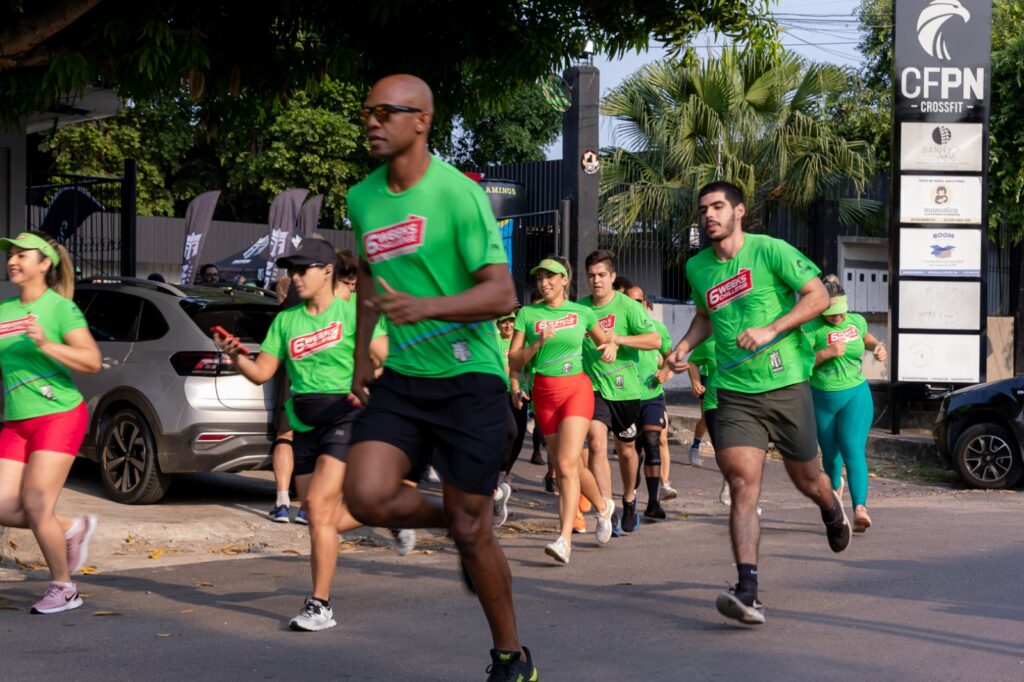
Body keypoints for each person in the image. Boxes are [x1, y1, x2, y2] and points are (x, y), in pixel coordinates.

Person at [342, 74, 537, 680]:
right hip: (401, 375)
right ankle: (457, 520)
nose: (373, 122)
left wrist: (426, 307)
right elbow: (372, 280)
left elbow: (502, 292)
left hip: (469, 378)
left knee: (475, 531)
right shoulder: (363, 198)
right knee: (365, 496)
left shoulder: (458, 195)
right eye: (368, 111)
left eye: (386, 112)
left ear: (421, 121)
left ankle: (511, 656)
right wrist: (358, 356)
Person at [664, 181, 850, 627]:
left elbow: (818, 296)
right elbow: (706, 316)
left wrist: (770, 329)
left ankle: (829, 505)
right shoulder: (698, 268)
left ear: (739, 211)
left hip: (785, 383)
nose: (709, 214)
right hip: (732, 390)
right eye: (703, 209)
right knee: (743, 483)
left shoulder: (771, 251)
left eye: (718, 207)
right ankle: (747, 588)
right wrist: (684, 346)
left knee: (808, 478)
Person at [216, 237, 366, 632]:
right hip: (302, 423)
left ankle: (319, 603)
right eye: (290, 270)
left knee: (316, 506)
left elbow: (388, 359)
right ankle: (382, 512)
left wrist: (367, 384)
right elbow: (263, 373)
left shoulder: (354, 314)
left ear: (327, 271)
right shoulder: (287, 321)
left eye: (302, 270)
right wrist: (236, 355)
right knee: (319, 517)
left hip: (344, 417)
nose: (294, 277)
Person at [0, 231, 102, 614]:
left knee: (36, 503)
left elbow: (91, 361)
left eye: (22, 254)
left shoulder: (60, 309)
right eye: (11, 254)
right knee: (4, 505)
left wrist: (45, 343)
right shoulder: (4, 310)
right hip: (16, 420)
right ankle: (71, 528)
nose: (13, 260)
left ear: (45, 263)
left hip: (58, 414)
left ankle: (65, 587)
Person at [509, 257, 617, 564]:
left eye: (550, 277)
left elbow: (606, 343)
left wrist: (610, 348)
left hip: (576, 390)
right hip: (544, 394)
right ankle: (603, 506)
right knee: (568, 464)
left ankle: (563, 539)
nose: (544, 283)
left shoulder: (581, 312)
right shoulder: (528, 314)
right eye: (540, 278)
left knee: (567, 464)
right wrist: (535, 346)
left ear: (564, 280)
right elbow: (515, 361)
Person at [579, 250, 661, 534]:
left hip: (626, 391)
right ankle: (606, 509)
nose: (596, 280)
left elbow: (654, 340)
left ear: (613, 277)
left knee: (626, 451)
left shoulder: (628, 307)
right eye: (591, 275)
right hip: (593, 387)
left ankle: (628, 498)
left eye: (602, 275)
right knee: (597, 443)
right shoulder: (581, 309)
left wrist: (618, 339)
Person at [804, 274, 887, 533]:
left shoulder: (856, 322)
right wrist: (825, 353)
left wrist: (877, 347)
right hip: (822, 399)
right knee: (830, 455)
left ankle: (860, 508)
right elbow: (800, 365)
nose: (837, 318)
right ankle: (835, 488)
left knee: (852, 448)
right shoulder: (810, 329)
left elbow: (866, 337)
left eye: (840, 313)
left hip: (855, 395)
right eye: (831, 313)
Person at [625, 284, 674, 520]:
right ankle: (630, 495)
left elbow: (670, 358)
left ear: (645, 303)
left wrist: (666, 371)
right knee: (632, 450)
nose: (635, 306)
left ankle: (653, 502)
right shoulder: (619, 329)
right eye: (629, 301)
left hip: (652, 395)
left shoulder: (658, 328)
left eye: (638, 301)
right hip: (625, 396)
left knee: (653, 440)